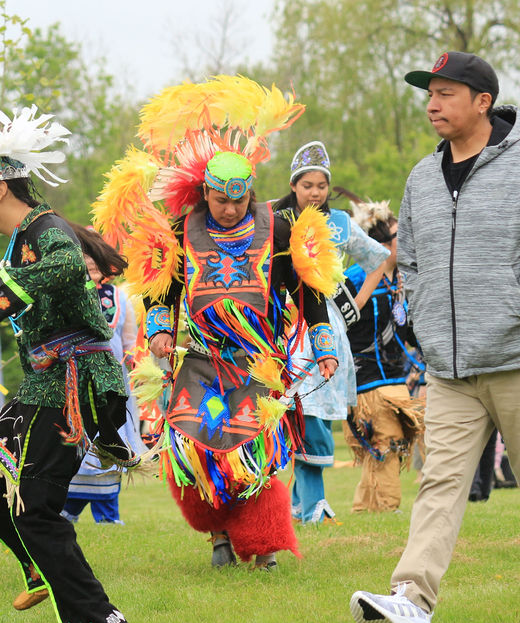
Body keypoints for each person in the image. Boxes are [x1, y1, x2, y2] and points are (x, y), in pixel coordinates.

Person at [350, 51, 520, 623]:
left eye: (445, 93)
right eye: (429, 93)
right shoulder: (421, 176)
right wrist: (422, 316)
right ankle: (411, 600)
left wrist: (519, 305)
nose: (431, 104)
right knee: (439, 482)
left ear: (482, 102)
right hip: (449, 368)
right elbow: (407, 259)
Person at [94, 76, 341, 570]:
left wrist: (324, 343)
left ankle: (263, 541)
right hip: (202, 361)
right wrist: (162, 329)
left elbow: (308, 290)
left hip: (257, 363)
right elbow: (164, 288)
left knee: (255, 451)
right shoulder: (181, 230)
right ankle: (220, 537)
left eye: (239, 200)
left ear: (250, 192)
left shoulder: (278, 228)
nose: (230, 210)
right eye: (220, 200)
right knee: (201, 449)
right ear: (205, 193)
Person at [0, 105, 134, 623]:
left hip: (77, 382)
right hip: (48, 381)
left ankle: (101, 619)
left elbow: (67, 264)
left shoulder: (47, 230)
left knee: (36, 506)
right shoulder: (23, 241)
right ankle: (39, 567)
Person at [273, 143, 389, 525]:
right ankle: (304, 505)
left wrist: (356, 301)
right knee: (290, 409)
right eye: (307, 185)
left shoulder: (339, 222)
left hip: (325, 328)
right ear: (294, 185)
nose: (316, 192)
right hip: (282, 326)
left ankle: (309, 505)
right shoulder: (275, 218)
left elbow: (379, 258)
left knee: (313, 410)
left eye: (322, 185)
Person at [339, 199, 424, 513]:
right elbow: (334, 326)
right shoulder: (354, 279)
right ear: (382, 245)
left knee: (384, 444)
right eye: (400, 235)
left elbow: (408, 327)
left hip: (393, 374)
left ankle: (365, 508)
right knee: (387, 439)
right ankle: (389, 507)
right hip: (364, 377)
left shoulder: (400, 279)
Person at [61, 225, 147, 525]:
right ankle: (66, 511)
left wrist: (138, 371)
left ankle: (107, 515)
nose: (89, 262)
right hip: (75, 385)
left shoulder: (119, 299)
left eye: (95, 255)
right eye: (83, 254)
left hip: (111, 386)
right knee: (74, 445)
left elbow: (128, 343)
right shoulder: (65, 295)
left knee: (107, 444)